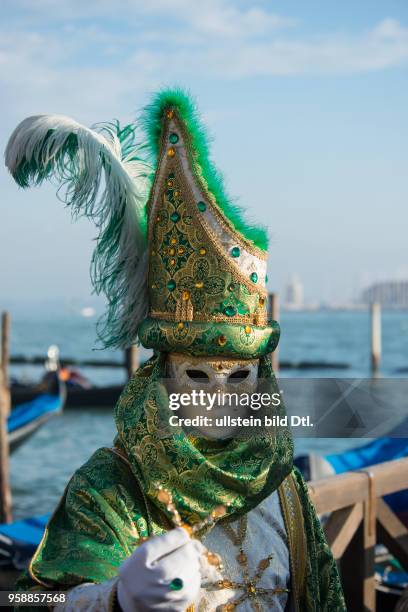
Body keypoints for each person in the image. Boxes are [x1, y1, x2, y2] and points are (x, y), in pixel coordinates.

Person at [5, 89, 346, 611]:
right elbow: (30, 602)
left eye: (237, 379)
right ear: (163, 374)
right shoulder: (110, 487)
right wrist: (113, 600)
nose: (218, 400)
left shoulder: (281, 484)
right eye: (197, 377)